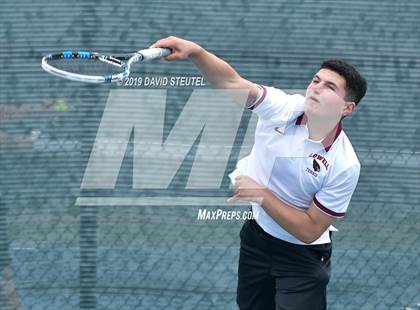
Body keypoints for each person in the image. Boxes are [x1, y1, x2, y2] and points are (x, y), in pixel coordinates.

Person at [150, 36, 367, 310]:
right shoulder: (284, 107)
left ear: (347, 108)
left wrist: (262, 195)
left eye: (330, 87)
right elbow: (232, 83)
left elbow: (310, 230)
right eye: (316, 80)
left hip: (303, 258)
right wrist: (196, 51)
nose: (316, 88)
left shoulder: (345, 163)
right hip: (257, 239)